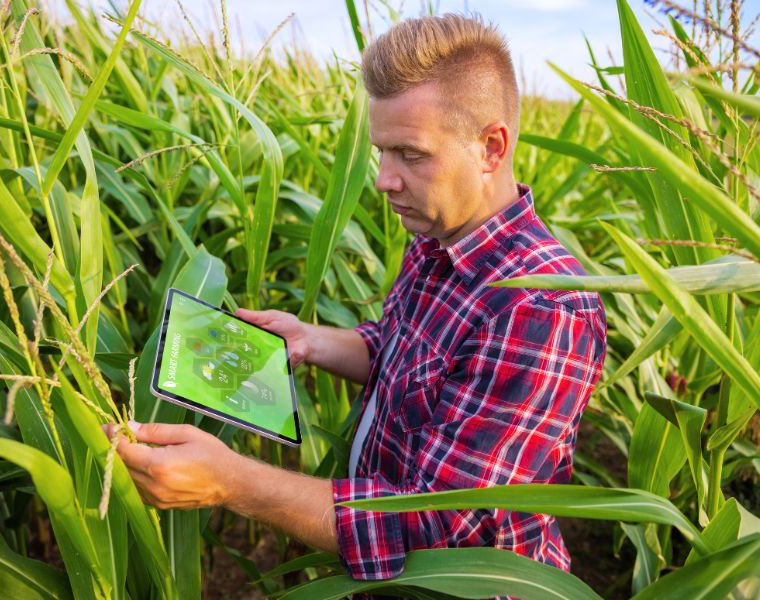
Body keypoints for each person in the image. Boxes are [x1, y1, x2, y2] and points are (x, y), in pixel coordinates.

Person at [108, 12, 606, 588]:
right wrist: (313, 340)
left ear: (491, 147)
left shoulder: (540, 307)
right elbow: (402, 348)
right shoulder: (437, 234)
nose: (384, 180)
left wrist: (233, 482)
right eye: (380, 153)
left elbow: (436, 527)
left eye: (411, 154)